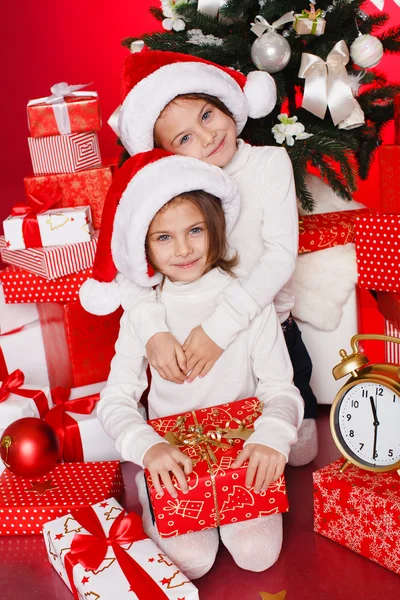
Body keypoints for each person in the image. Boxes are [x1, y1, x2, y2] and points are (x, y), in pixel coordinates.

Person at [80, 50, 318, 466]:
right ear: (166, 155)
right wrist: (153, 331)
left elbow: (280, 257)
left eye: (207, 115)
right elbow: (134, 268)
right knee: (217, 453)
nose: (207, 138)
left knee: (295, 454)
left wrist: (221, 327)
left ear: (225, 103)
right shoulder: (176, 190)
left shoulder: (267, 163)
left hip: (270, 330)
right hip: (194, 341)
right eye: (185, 138)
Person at [94, 149, 304, 579]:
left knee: (257, 555)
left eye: (195, 230)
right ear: (143, 246)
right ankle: (150, 485)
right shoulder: (144, 316)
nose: (184, 249)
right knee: (192, 561)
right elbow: (115, 399)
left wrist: (272, 436)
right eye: (164, 237)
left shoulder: (247, 302)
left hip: (241, 455)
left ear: (215, 228)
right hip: (178, 462)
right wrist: (146, 446)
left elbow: (281, 388)